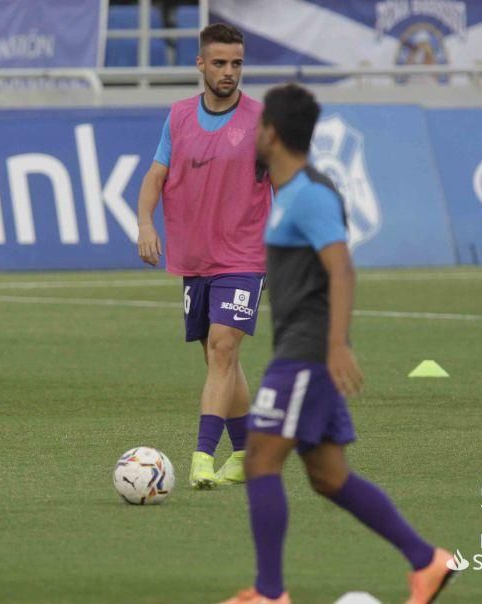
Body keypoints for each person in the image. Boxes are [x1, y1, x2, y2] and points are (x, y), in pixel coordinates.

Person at [220, 83, 455, 604]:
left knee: (260, 460)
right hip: (302, 354)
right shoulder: (289, 194)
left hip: (305, 357)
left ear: (272, 134)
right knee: (328, 477)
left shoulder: (311, 194)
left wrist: (336, 345)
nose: (254, 133)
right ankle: (428, 561)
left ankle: (269, 593)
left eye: (259, 126)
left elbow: (341, 267)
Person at [136, 23, 272, 490]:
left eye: (236, 63)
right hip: (195, 258)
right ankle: (246, 452)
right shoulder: (178, 117)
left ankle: (199, 458)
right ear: (200, 64)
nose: (229, 72)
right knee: (221, 361)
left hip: (246, 257)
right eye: (219, 63)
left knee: (223, 348)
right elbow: (155, 176)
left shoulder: (261, 120)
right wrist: (145, 224)